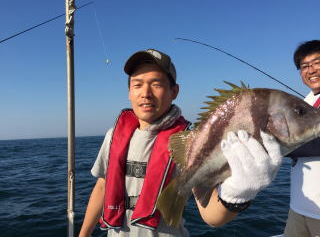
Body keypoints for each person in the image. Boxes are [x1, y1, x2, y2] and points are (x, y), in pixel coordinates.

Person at [79, 48, 283, 237]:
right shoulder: (113, 135)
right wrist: (84, 233)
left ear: (174, 92)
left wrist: (237, 196)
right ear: (129, 92)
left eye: (156, 84)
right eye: (137, 84)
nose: (145, 93)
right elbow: (102, 186)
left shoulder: (191, 142)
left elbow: (211, 216)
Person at [284, 40, 320, 237]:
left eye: (317, 62)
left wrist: (280, 146)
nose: (311, 70)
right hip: (298, 207)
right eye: (305, 66)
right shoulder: (305, 101)